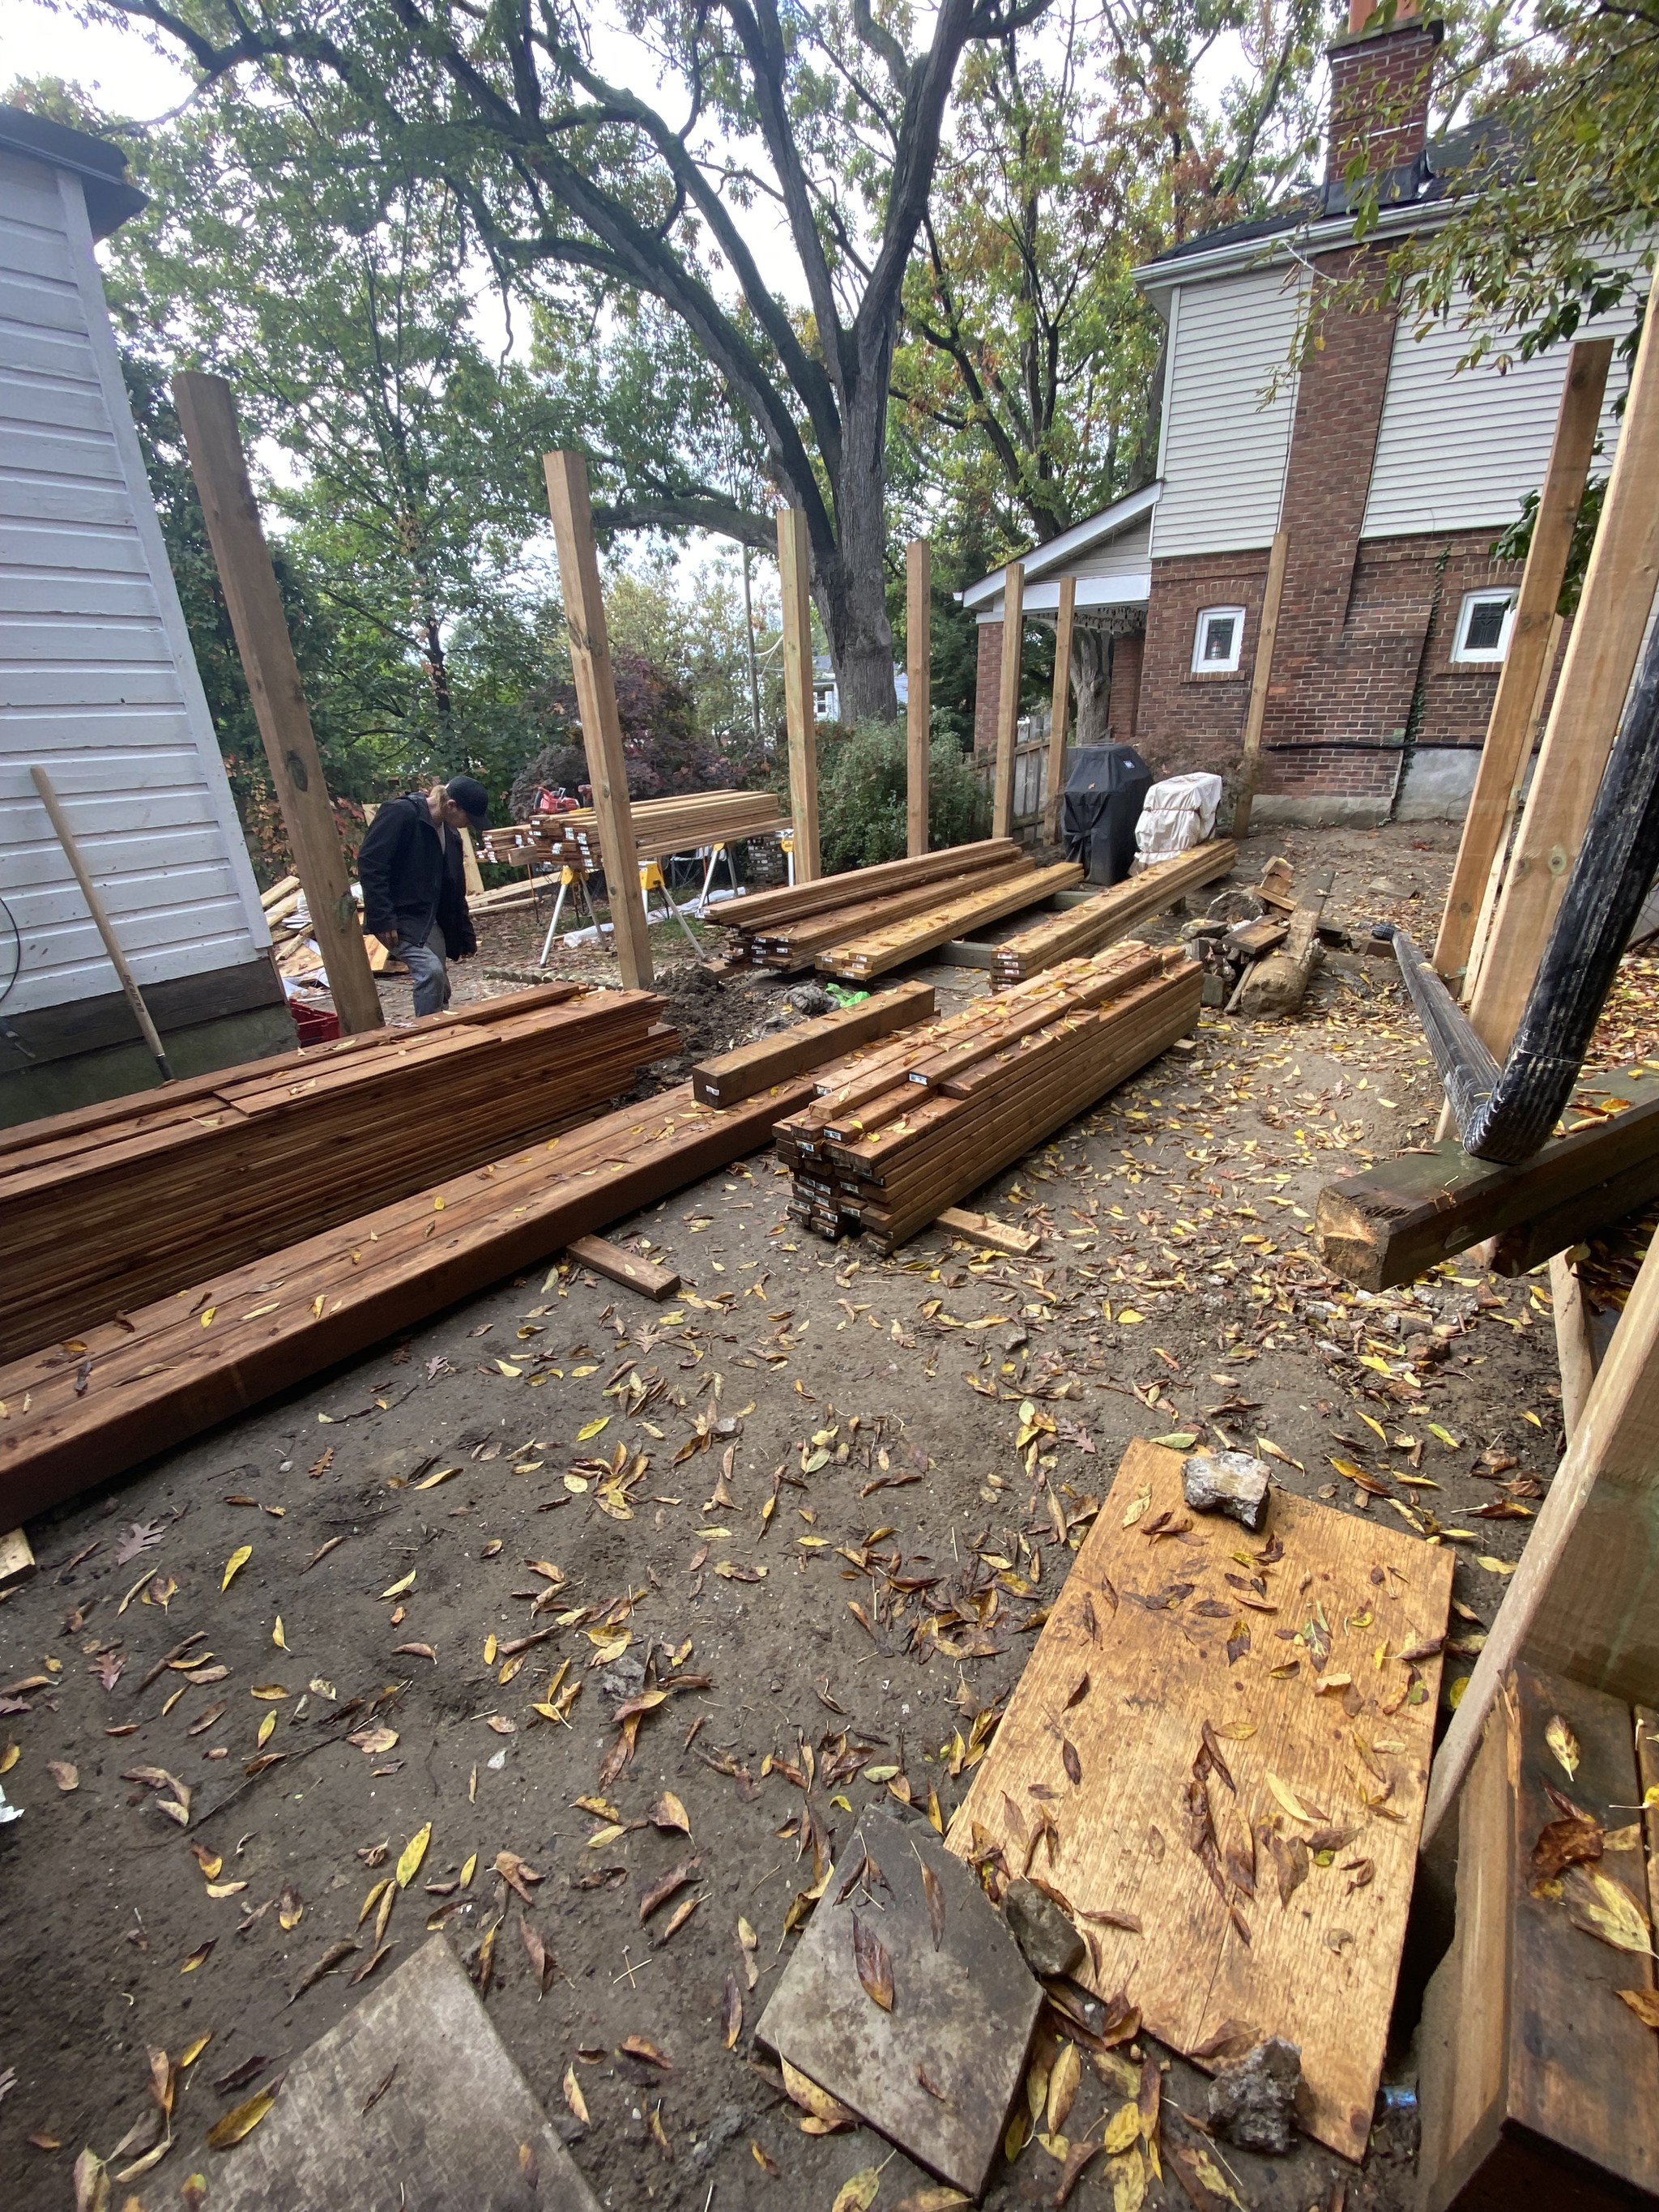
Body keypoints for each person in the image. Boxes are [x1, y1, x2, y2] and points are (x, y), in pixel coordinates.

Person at [358, 775, 491, 1018]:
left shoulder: (451, 836)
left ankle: (445, 1028)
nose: (468, 825)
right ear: (452, 806)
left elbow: (454, 888)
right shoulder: (401, 813)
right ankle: (429, 1037)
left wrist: (464, 933)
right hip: (397, 917)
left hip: (427, 918)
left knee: (440, 984)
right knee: (431, 973)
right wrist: (384, 918)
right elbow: (371, 864)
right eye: (468, 819)